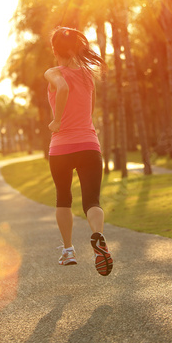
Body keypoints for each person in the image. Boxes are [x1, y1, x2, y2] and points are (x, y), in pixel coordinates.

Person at [44, 26, 113, 276]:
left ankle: (68, 251)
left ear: (54, 50)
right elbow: (89, 112)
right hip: (88, 145)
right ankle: (97, 235)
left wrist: (57, 121)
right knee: (92, 201)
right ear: (76, 48)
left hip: (61, 147)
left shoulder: (52, 72)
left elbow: (62, 89)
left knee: (63, 198)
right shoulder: (87, 75)